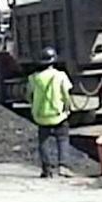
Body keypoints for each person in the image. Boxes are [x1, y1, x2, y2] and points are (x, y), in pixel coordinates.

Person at [28, 46, 73, 178]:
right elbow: (66, 94)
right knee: (63, 139)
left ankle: (47, 170)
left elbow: (28, 95)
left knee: (44, 141)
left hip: (41, 115)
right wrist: (67, 107)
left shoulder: (33, 78)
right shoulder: (60, 76)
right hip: (58, 114)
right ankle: (63, 166)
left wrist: (34, 107)